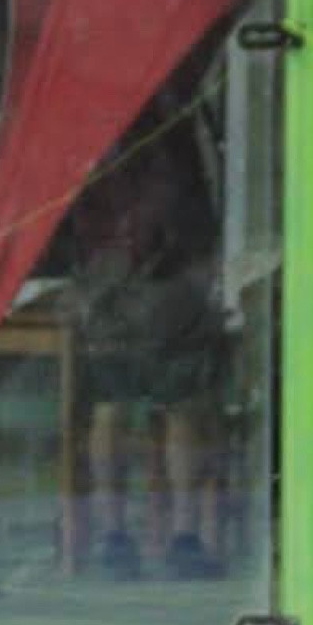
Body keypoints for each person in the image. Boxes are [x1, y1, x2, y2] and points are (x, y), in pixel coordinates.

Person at [69, 140, 231, 579]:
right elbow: (195, 226)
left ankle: (115, 536)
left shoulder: (104, 142)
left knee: (113, 409)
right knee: (178, 406)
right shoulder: (170, 140)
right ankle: (182, 536)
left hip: (113, 296)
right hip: (158, 295)